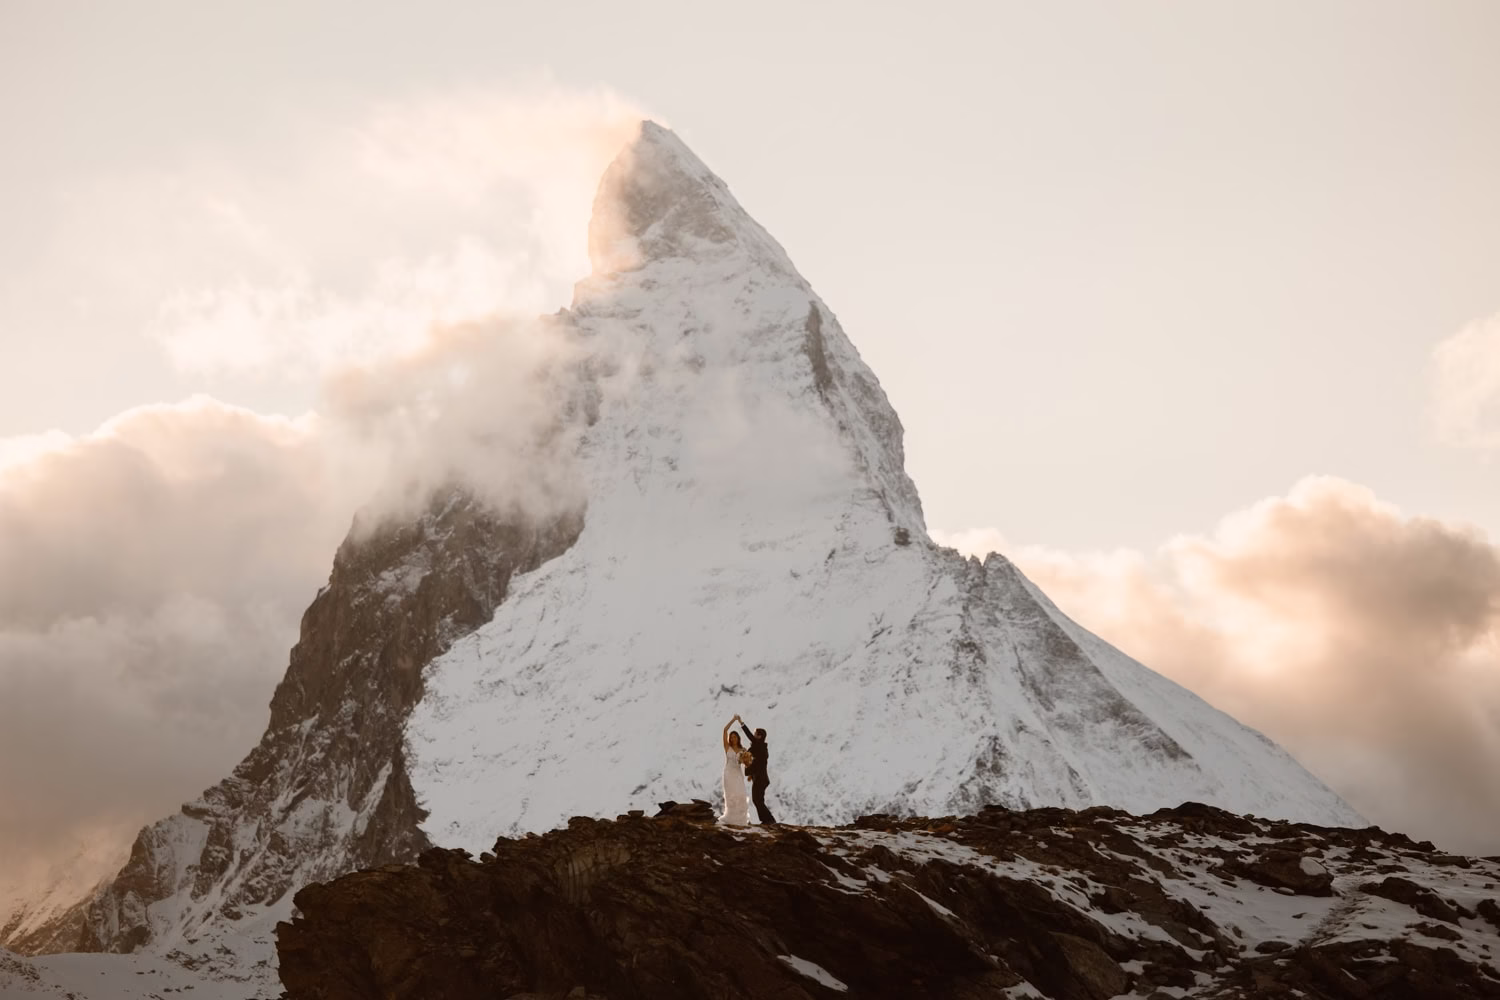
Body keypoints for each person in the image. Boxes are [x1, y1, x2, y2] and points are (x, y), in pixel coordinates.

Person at [737, 715, 776, 825]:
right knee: (758, 800)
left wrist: (742, 723)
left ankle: (769, 820)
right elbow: (756, 762)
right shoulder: (760, 747)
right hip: (760, 778)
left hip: (760, 778)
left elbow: (749, 736)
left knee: (757, 800)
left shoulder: (759, 746)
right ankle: (767, 820)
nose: (753, 736)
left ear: (759, 736)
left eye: (755, 734)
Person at [719, 715, 750, 826]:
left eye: (734, 736)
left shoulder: (743, 750)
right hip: (728, 773)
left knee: (740, 794)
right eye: (731, 737)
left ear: (738, 738)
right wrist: (733, 720)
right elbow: (725, 730)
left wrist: (746, 760)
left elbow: (747, 764)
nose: (733, 738)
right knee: (731, 795)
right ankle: (730, 818)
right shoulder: (727, 747)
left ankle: (740, 820)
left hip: (737, 774)